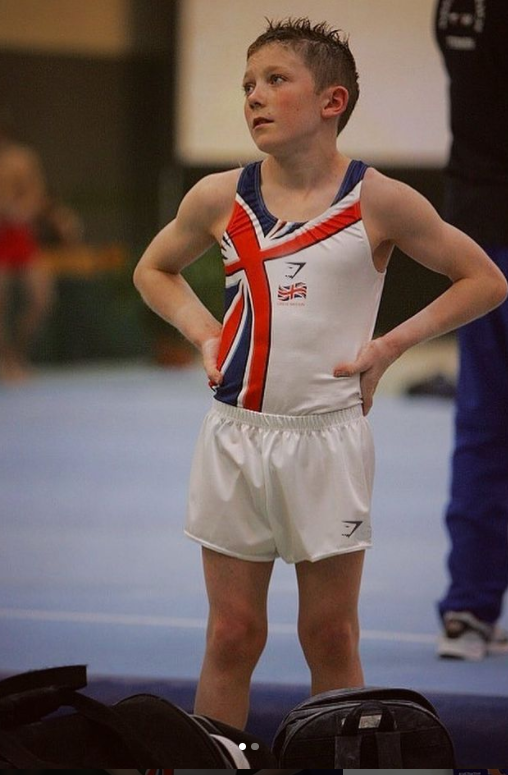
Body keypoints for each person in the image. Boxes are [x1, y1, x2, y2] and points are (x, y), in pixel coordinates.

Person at [133, 17, 507, 729]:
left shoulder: (378, 199)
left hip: (326, 442)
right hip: (236, 438)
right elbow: (153, 269)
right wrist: (202, 330)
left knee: (330, 636)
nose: (255, 97)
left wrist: (391, 345)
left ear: (332, 101)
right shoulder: (220, 196)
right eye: (248, 84)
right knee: (231, 634)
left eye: (276, 80)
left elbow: (484, 280)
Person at [435, 0, 508, 660]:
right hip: (486, 230)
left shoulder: (456, 8)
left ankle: (468, 609)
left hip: (476, 233)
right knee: (483, 422)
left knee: (482, 423)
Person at [0, 121, 53, 382]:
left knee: (40, 299)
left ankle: (17, 354)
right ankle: (5, 359)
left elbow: (36, 193)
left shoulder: (22, 159)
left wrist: (21, 210)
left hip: (20, 234)